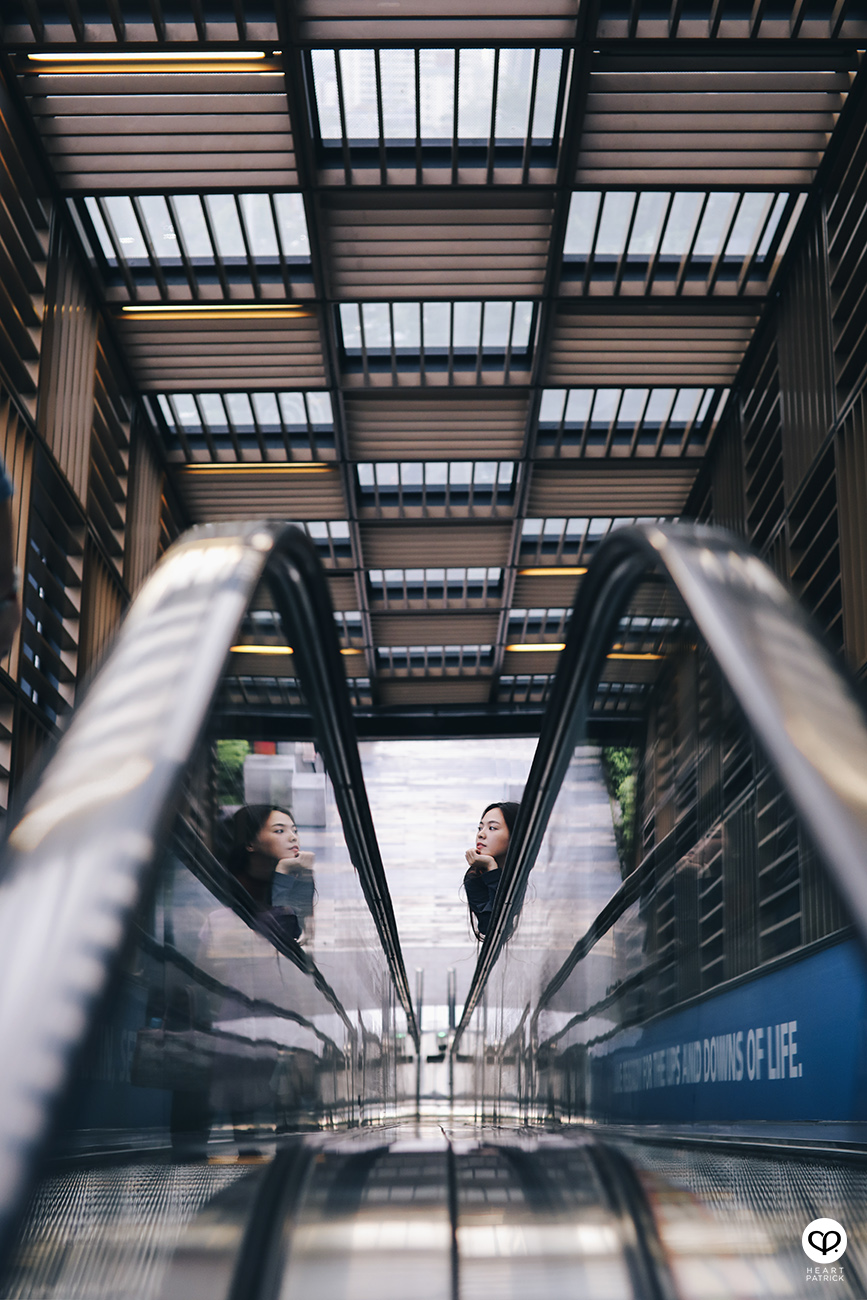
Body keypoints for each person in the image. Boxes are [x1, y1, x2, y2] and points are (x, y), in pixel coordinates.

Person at [225, 804, 305, 946]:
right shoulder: (237, 888)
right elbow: (282, 932)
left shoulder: (293, 876)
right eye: (279, 831)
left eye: (295, 831)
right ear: (250, 843)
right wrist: (283, 874)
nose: (293, 838)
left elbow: (300, 933)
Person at [463, 801, 520, 938]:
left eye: (492, 828)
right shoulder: (475, 877)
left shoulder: (527, 872)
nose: (481, 835)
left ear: (515, 836)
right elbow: (491, 928)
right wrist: (491, 868)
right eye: (480, 828)